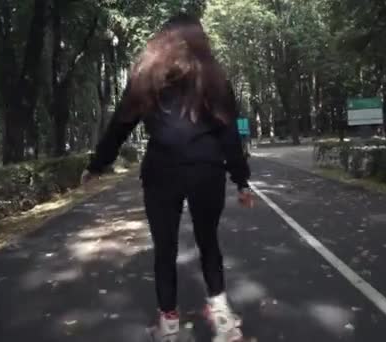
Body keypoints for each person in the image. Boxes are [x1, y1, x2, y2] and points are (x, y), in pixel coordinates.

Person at [80, 13, 254, 341]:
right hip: (207, 171)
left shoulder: (145, 77)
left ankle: (168, 325)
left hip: (162, 172)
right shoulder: (214, 78)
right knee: (209, 243)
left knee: (164, 249)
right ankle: (222, 318)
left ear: (161, 41)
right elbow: (229, 133)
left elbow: (120, 124)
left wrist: (97, 164)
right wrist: (241, 180)